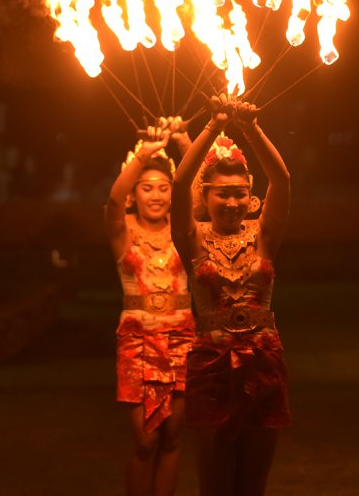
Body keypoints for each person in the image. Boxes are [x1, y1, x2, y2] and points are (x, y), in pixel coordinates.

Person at [171, 96, 290, 496]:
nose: (233, 202)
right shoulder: (193, 238)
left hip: (263, 360)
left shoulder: (263, 236)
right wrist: (212, 124)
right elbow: (179, 183)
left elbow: (283, 180)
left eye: (240, 192)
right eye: (222, 194)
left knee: (253, 483)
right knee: (215, 483)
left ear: (251, 195)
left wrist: (251, 127)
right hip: (210, 363)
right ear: (205, 198)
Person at [106, 117, 194, 496]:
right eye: (147, 188)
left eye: (163, 188)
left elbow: (201, 185)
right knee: (145, 441)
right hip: (138, 341)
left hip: (182, 338)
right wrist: (144, 156)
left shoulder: (185, 229)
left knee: (173, 438)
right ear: (135, 193)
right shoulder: (122, 229)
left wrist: (184, 139)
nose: (156, 196)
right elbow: (112, 198)